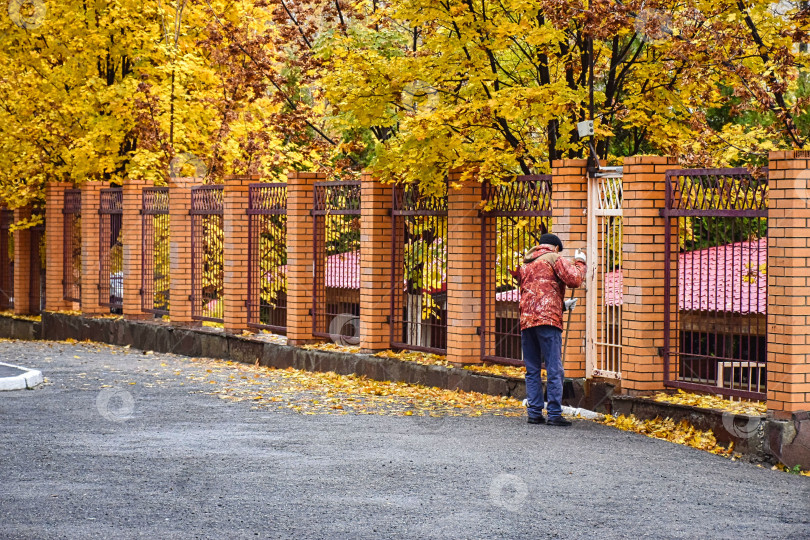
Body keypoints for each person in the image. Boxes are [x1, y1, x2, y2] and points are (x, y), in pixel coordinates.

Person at [515, 233, 586, 426]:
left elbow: (536, 294)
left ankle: (535, 412)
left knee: (532, 369)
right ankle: (554, 413)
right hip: (548, 322)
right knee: (554, 368)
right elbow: (574, 280)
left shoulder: (526, 263)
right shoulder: (554, 258)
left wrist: (563, 305)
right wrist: (580, 262)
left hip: (527, 321)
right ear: (555, 247)